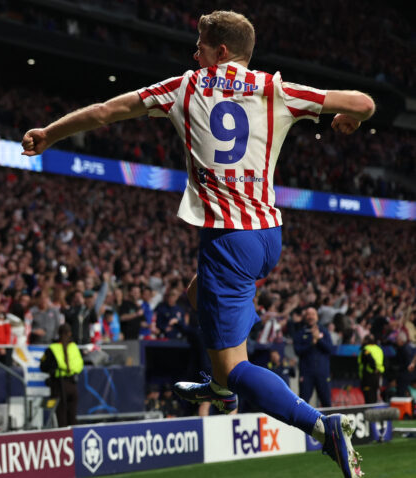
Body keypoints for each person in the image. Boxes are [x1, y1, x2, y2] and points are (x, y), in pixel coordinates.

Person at [21, 10, 374, 477]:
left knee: (234, 367)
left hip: (228, 239)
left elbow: (106, 111)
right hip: (268, 234)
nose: (194, 54)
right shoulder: (275, 89)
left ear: (220, 51)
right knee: (195, 293)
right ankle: (219, 387)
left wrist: (49, 133)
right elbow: (364, 102)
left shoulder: (185, 87)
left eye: (200, 46)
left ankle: (320, 425)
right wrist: (350, 119)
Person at [40, 324, 84, 427]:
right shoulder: (74, 347)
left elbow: (43, 366)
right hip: (72, 384)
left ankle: (63, 436)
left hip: (58, 385)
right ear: (70, 334)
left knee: (61, 416)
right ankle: (74, 435)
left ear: (58, 334)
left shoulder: (52, 348)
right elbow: (80, 365)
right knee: (72, 415)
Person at [294, 306, 336, 407]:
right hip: (306, 374)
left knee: (326, 403)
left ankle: (327, 419)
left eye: (313, 314)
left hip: (323, 373)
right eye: (308, 314)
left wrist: (319, 340)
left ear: (317, 317)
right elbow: (298, 351)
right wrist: (311, 343)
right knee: (303, 403)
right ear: (305, 317)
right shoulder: (300, 333)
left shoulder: (324, 332)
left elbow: (330, 349)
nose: (310, 317)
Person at [357, 334, 384, 404]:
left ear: (366, 341)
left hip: (368, 375)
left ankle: (369, 410)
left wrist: (374, 368)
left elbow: (370, 360)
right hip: (378, 375)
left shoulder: (366, 349)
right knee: (374, 395)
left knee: (368, 396)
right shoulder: (378, 349)